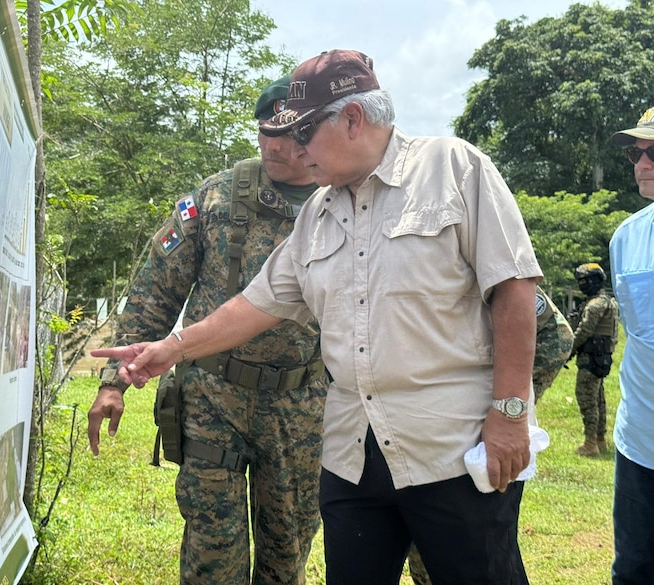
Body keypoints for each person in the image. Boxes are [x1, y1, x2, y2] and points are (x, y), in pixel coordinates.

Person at [93, 49, 544, 585]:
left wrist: (511, 411)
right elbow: (257, 302)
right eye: (282, 134)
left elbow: (515, 289)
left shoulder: (453, 168)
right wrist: (171, 349)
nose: (294, 149)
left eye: (304, 132)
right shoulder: (317, 211)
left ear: (353, 119)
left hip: (446, 446)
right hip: (351, 453)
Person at [86, 77, 327, 585]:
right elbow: (156, 288)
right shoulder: (216, 197)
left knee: (289, 555)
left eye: (295, 133)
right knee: (212, 556)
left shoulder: (342, 204)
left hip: (302, 406)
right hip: (214, 398)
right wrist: (114, 380)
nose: (279, 146)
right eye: (268, 132)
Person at [406, 284, 573, 584]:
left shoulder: (472, 251)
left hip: (466, 433)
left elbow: (557, 336)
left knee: (466, 555)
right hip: (409, 431)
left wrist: (503, 407)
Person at [608, 106, 654, 585]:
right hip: (640, 441)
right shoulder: (627, 238)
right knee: (635, 568)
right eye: (636, 154)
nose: (642, 164)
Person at [569, 263, 619, 456]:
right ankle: (600, 439)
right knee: (599, 400)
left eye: (584, 281)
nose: (582, 284)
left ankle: (590, 444)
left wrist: (569, 350)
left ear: (595, 281)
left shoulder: (595, 305)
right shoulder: (609, 302)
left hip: (590, 359)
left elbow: (584, 331)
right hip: (601, 358)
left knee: (587, 399)